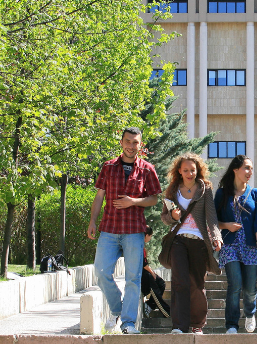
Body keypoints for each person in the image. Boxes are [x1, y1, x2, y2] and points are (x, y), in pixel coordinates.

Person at [87, 127, 162, 334]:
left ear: (140, 144)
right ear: (121, 143)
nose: (131, 146)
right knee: (101, 272)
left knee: (133, 279)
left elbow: (155, 198)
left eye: (135, 142)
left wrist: (133, 202)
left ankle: (128, 323)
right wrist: (92, 221)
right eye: (128, 142)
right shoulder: (108, 167)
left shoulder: (147, 169)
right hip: (109, 229)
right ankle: (117, 309)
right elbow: (99, 196)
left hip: (133, 231)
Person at [161, 153, 222, 334]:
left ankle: (197, 324)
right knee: (180, 282)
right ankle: (179, 326)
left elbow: (211, 218)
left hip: (199, 242)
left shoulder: (205, 189)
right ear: (179, 171)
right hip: (178, 240)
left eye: (192, 170)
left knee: (196, 284)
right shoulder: (172, 191)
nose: (189, 173)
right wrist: (172, 217)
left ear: (198, 170)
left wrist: (216, 237)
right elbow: (164, 218)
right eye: (185, 170)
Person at [214, 155, 257, 334]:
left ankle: (250, 313)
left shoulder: (255, 193)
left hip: (251, 246)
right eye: (246, 168)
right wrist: (226, 226)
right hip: (230, 246)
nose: (250, 172)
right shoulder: (222, 193)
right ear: (235, 170)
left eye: (251, 168)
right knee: (235, 283)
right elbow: (213, 219)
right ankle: (231, 325)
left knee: (250, 287)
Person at [141, 226, 170, 317]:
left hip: (146, 272)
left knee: (161, 283)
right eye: (150, 236)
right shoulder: (138, 245)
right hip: (141, 275)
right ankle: (167, 312)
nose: (150, 238)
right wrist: (152, 272)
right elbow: (143, 263)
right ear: (146, 235)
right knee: (155, 290)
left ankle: (149, 305)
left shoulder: (142, 245)